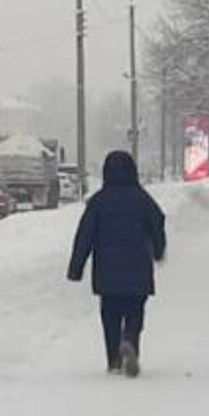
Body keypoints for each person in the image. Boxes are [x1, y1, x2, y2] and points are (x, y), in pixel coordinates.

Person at [67, 150, 166, 378]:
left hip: (107, 271)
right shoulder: (142, 199)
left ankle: (114, 359)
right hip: (138, 268)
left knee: (110, 314)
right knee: (135, 311)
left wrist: (76, 267)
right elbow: (157, 221)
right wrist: (158, 249)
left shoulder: (99, 201)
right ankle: (130, 339)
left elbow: (85, 235)